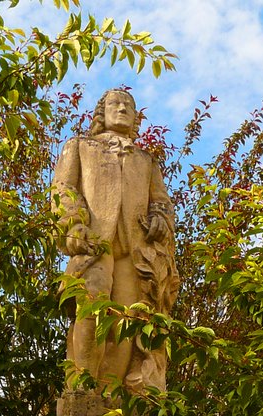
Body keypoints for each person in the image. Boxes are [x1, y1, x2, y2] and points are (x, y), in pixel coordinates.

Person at [52, 88, 179, 393]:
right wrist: (75, 225)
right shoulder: (80, 146)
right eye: (115, 103)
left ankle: (111, 399)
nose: (122, 108)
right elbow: (63, 190)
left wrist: (160, 219)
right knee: (92, 306)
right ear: (102, 112)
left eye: (129, 105)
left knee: (129, 319)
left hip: (135, 252)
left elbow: (161, 202)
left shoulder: (146, 160)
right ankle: (81, 390)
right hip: (96, 245)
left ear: (136, 117)